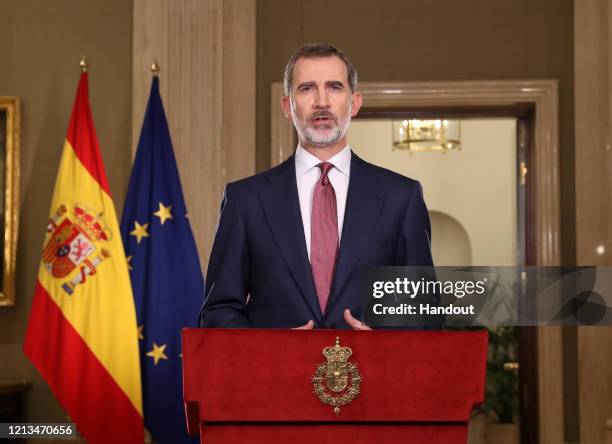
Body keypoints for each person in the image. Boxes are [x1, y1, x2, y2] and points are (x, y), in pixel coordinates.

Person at [198, 43, 433, 329]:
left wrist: (385, 345)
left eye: (334, 87)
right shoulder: (245, 200)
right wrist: (270, 349)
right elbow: (218, 311)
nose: (321, 101)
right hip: (276, 374)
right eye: (307, 88)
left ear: (355, 102)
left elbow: (425, 315)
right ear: (287, 105)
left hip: (370, 374)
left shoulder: (401, 198)